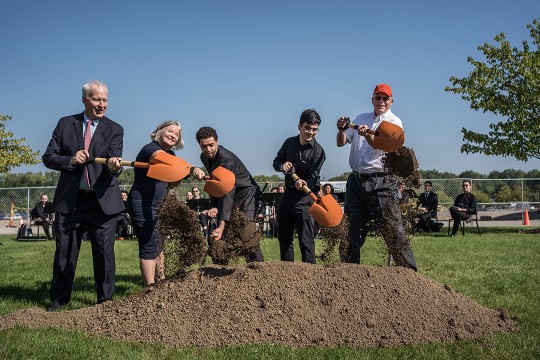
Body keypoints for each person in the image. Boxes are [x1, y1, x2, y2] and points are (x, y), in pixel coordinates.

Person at [42, 80, 124, 311]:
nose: (102, 104)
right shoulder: (66, 124)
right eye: (97, 99)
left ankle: (105, 301)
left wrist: (114, 166)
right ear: (84, 99)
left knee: (104, 253)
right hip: (71, 202)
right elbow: (49, 157)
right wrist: (70, 160)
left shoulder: (115, 129)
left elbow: (113, 162)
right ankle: (59, 299)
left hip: (102, 203)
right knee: (65, 253)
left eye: (105, 100)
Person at [336, 83, 417, 271]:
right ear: (372, 99)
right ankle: (349, 272)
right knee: (349, 232)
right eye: (377, 97)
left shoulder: (394, 123)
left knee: (393, 229)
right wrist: (341, 129)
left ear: (391, 101)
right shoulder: (360, 118)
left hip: (381, 182)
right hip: (356, 181)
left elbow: (383, 146)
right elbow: (341, 143)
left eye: (385, 98)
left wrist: (368, 136)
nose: (381, 101)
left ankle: (410, 275)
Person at [128, 121, 204, 290]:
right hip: (143, 203)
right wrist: (191, 168)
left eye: (177, 134)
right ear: (159, 132)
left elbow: (173, 180)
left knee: (159, 241)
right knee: (149, 244)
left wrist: (190, 172)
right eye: (170, 131)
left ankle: (161, 279)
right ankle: (150, 287)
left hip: (160, 204)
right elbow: (160, 159)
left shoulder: (171, 154)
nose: (173, 135)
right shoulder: (151, 149)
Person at [192, 126, 264, 262]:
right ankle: (221, 269)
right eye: (203, 146)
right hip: (230, 193)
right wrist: (213, 205)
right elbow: (216, 183)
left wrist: (221, 224)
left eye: (211, 145)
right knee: (223, 234)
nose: (208, 150)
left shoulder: (226, 160)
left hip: (246, 193)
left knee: (246, 233)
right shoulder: (204, 157)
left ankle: (258, 270)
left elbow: (227, 191)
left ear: (217, 141)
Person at [273, 109, 325, 264]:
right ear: (299, 126)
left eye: (315, 129)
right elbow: (276, 161)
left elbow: (314, 176)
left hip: (305, 198)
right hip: (288, 195)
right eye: (307, 128)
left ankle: (311, 276)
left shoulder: (319, 151)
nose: (311, 132)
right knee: (284, 237)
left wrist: (303, 183)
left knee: (306, 240)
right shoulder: (289, 143)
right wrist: (282, 166)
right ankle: (287, 271)